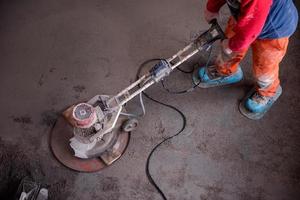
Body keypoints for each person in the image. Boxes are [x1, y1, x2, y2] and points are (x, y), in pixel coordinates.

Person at [197, 0, 298, 119]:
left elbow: (250, 32)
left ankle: (267, 92)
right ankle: (226, 72)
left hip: (274, 31)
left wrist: (232, 45)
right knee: (228, 48)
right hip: (245, 17)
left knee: (264, 68)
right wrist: (212, 8)